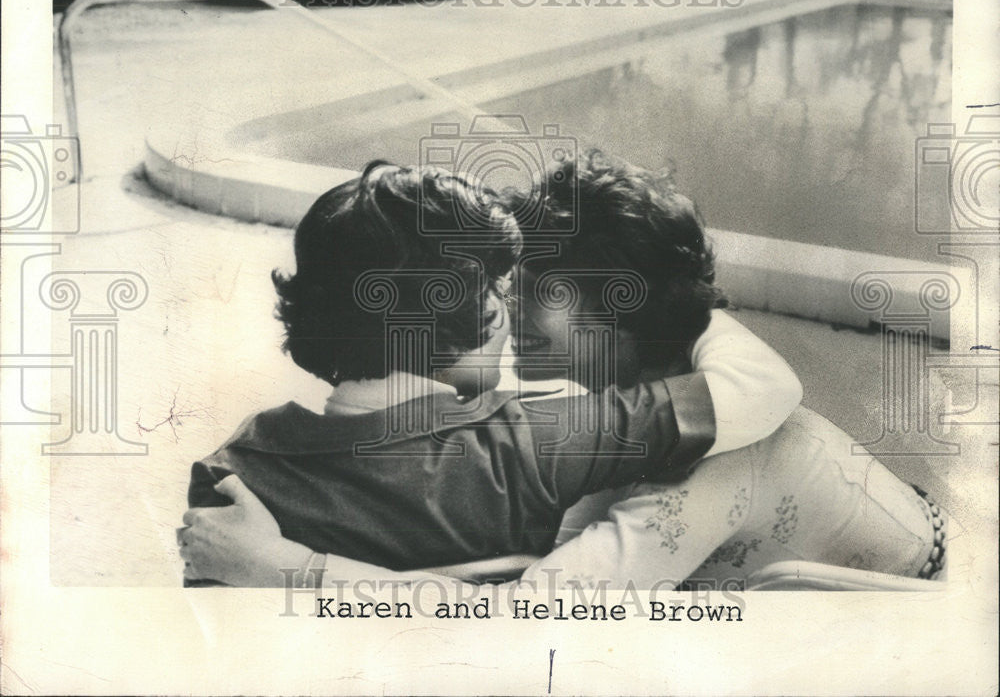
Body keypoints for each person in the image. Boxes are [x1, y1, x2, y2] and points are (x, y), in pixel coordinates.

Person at [179, 152, 945, 588]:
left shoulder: (233, 471)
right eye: (504, 287)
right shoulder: (554, 436)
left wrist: (292, 569)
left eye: (540, 292)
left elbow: (534, 621)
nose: (509, 307)